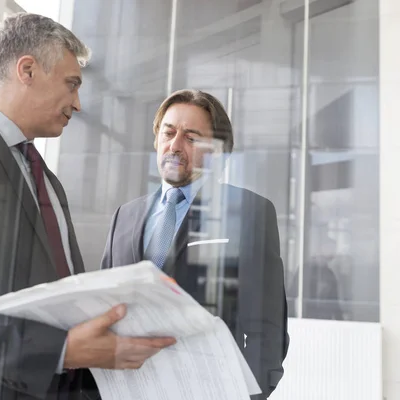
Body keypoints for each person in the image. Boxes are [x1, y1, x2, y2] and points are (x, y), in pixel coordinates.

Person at [0, 13, 175, 400]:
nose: (79, 104)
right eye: (72, 85)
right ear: (28, 70)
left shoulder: (48, 182)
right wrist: (59, 351)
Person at [100, 89, 289, 399]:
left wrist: (245, 395)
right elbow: (104, 309)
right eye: (169, 133)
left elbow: (267, 329)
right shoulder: (125, 215)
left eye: (191, 138)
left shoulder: (249, 212)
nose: (174, 146)